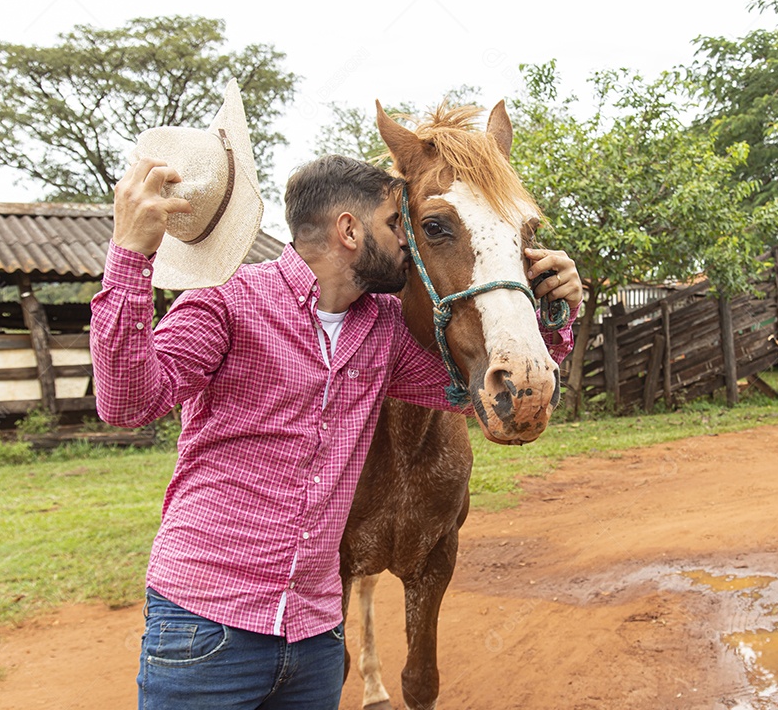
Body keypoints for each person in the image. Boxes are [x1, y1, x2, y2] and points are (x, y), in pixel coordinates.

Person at [92, 149, 582, 707]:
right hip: (209, 625)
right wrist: (131, 256)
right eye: (397, 224)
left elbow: (475, 396)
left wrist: (552, 314)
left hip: (315, 639)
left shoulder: (382, 330)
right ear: (350, 231)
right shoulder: (225, 303)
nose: (408, 240)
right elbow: (129, 403)